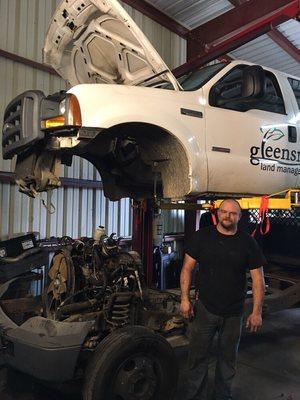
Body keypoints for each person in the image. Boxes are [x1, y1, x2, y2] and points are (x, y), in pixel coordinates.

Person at [179, 199, 266, 400]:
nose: (228, 216)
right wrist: (184, 299)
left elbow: (258, 279)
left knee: (227, 361)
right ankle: (195, 396)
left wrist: (256, 312)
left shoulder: (248, 242)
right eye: (224, 212)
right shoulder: (202, 237)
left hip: (234, 312)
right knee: (197, 359)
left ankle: (222, 396)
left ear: (239, 217)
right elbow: (187, 269)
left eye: (233, 213)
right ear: (218, 213)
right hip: (205, 309)